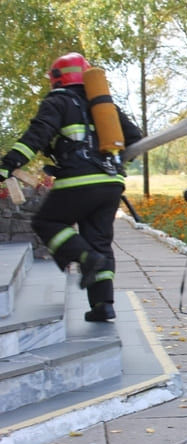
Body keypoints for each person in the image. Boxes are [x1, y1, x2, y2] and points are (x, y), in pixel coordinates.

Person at [0, 52, 143, 322]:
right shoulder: (104, 105)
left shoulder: (59, 100)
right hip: (112, 183)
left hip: (79, 181)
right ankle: (103, 305)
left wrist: (9, 164)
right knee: (99, 240)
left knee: (48, 222)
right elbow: (134, 138)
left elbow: (38, 134)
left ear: (57, 79)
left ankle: (85, 258)